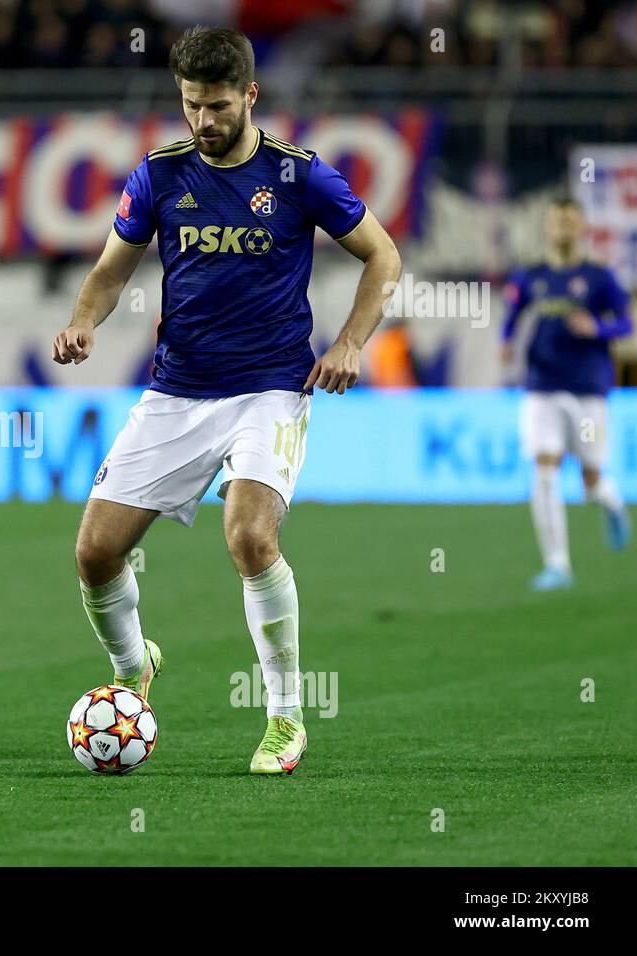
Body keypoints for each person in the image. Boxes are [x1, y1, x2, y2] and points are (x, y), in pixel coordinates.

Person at [51, 26, 401, 775]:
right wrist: (83, 320)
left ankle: (284, 720)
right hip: (177, 391)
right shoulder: (159, 174)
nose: (202, 123)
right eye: (189, 107)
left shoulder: (300, 176)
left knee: (248, 537)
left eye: (215, 107)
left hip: (271, 390)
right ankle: (133, 664)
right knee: (95, 552)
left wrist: (349, 344)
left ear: (249, 95)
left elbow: (384, 255)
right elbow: (114, 270)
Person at [502, 196, 632, 590]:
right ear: (548, 227)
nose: (563, 228)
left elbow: (625, 324)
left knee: (590, 480)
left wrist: (599, 329)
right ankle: (557, 564)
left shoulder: (598, 276)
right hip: (542, 386)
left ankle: (611, 503)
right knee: (544, 473)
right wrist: (506, 341)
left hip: (587, 388)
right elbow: (514, 314)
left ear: (581, 228)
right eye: (556, 221)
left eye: (570, 222)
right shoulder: (532, 275)